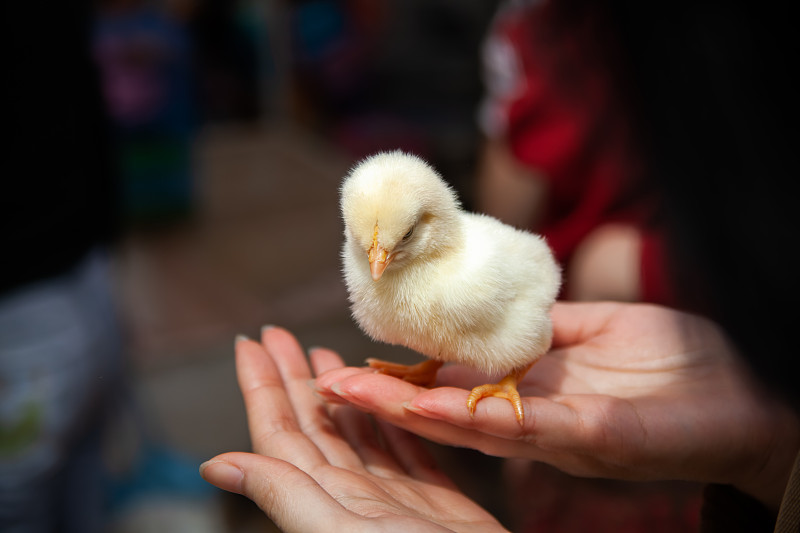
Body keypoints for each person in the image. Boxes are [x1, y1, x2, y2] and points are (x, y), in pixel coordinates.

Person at [200, 1, 800, 531]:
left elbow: (528, 245)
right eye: (366, 244)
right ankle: (436, 364)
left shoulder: (473, 260)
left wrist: (512, 370)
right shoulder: (549, 35)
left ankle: (498, 376)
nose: (375, 260)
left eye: (396, 239)